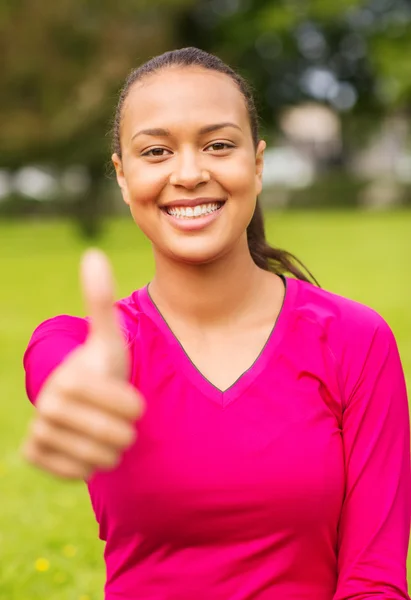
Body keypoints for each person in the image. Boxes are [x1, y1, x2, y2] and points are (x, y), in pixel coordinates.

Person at [22, 47, 411, 600]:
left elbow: (375, 581)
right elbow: (53, 358)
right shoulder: (94, 347)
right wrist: (75, 383)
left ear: (256, 162)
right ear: (123, 176)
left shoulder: (355, 341)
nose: (189, 173)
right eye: (156, 151)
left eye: (218, 145)